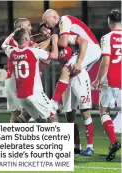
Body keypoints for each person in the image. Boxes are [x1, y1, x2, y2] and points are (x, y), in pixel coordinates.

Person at [42, 10, 101, 155]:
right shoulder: (57, 39)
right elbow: (47, 50)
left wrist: (79, 62)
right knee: (69, 113)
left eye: (47, 24)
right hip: (67, 79)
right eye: (44, 28)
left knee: (85, 110)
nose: (46, 28)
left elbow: (81, 41)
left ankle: (90, 147)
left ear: (55, 18)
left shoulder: (65, 27)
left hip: (81, 68)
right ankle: (76, 146)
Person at [1, 28, 59, 122]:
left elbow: (4, 45)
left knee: (40, 120)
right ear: (27, 39)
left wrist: (12, 34)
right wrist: (55, 41)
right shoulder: (34, 51)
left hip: (21, 96)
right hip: (35, 93)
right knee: (52, 116)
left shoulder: (11, 52)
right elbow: (55, 56)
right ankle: (59, 136)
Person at [92, 9, 121, 161]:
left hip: (112, 80)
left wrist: (98, 79)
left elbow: (106, 62)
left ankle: (114, 142)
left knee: (103, 111)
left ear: (109, 22)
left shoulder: (106, 38)